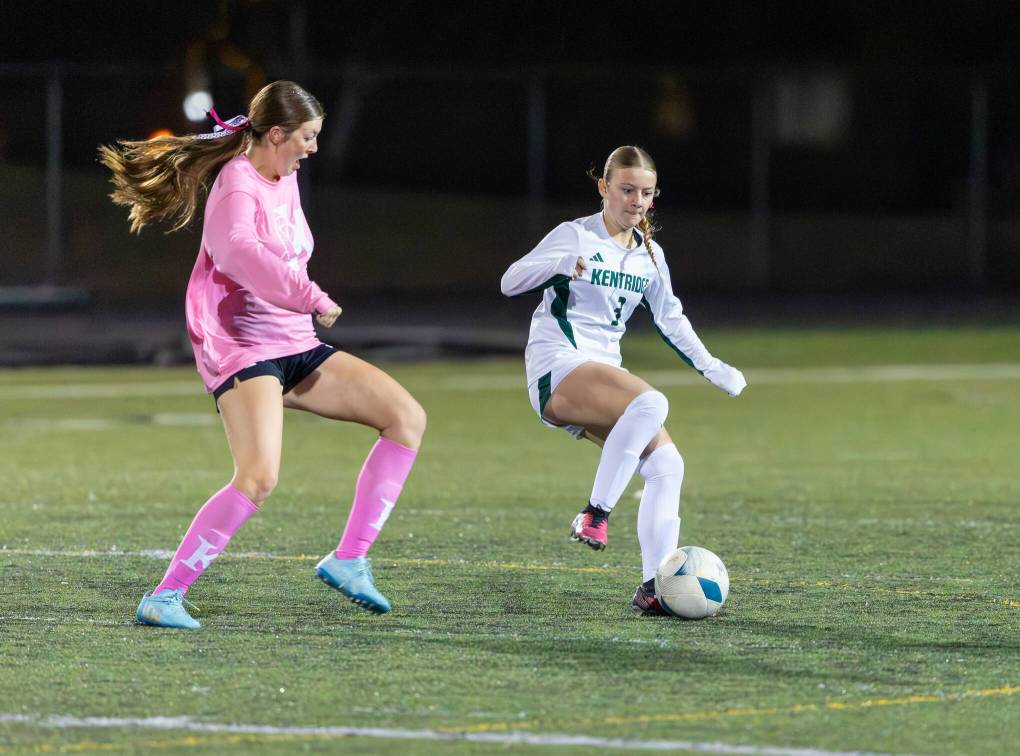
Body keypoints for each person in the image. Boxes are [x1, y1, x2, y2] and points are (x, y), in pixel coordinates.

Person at [99, 80, 426, 628]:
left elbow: (285, 254)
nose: (313, 148)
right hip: (245, 350)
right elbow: (240, 255)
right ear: (277, 134)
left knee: (406, 418)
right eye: (307, 136)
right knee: (257, 477)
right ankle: (165, 596)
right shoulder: (236, 184)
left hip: (296, 343)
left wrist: (302, 305)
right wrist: (311, 296)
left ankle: (350, 559)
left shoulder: (284, 178)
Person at [500, 145, 745, 616]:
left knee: (667, 465)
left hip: (604, 378)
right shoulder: (575, 236)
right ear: (604, 189)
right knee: (652, 403)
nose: (635, 200)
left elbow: (671, 319)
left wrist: (713, 367)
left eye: (645, 193)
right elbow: (510, 281)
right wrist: (555, 265)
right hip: (557, 367)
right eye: (626, 189)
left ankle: (654, 587)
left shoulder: (650, 255)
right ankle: (595, 512)